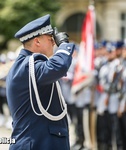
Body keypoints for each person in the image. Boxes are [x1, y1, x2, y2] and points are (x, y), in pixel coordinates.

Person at [6, 14, 75, 150]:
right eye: (50, 39)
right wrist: (64, 45)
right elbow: (58, 67)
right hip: (36, 144)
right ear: (37, 42)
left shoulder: (26, 65)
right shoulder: (28, 66)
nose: (54, 42)